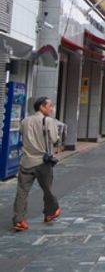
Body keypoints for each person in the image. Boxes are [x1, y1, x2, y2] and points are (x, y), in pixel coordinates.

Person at [12, 97, 62, 232]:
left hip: (26, 161)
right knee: (47, 189)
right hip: (43, 161)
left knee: (22, 191)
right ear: (41, 107)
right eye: (50, 106)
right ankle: (50, 212)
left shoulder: (25, 121)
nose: (51, 109)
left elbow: (22, 135)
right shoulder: (49, 121)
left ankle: (19, 220)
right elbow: (54, 139)